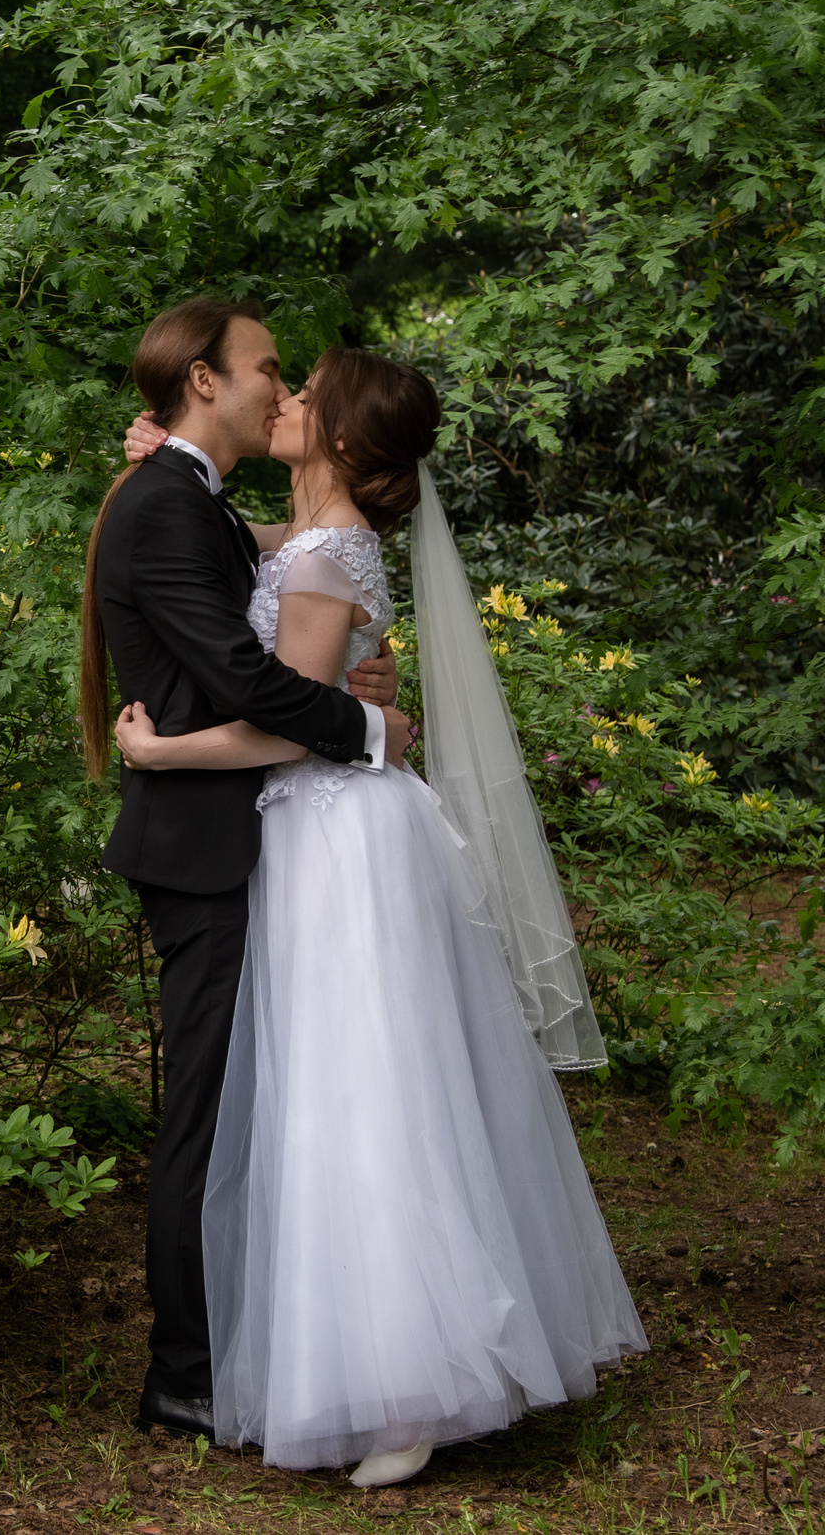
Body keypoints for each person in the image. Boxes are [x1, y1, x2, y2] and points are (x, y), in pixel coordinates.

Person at [104, 343, 645, 1487]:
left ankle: (411, 1378)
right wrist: (174, 461)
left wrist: (158, 747)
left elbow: (284, 719)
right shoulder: (313, 540)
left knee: (367, 1090)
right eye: (275, 380)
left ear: (342, 442)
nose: (283, 398)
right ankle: (368, 1352)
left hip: (328, 827)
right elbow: (262, 557)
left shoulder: (328, 545)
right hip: (325, 827)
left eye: (302, 396)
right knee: (349, 1088)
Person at [80, 299, 417, 1449]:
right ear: (205, 383)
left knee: (247, 1112)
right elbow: (242, 676)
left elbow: (288, 577)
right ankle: (186, 1373)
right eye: (267, 369)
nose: (281, 388)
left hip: (251, 833)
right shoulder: (174, 506)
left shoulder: (199, 503)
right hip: (208, 838)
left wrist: (343, 684)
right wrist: (361, 723)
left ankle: (245, 1349)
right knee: (209, 1120)